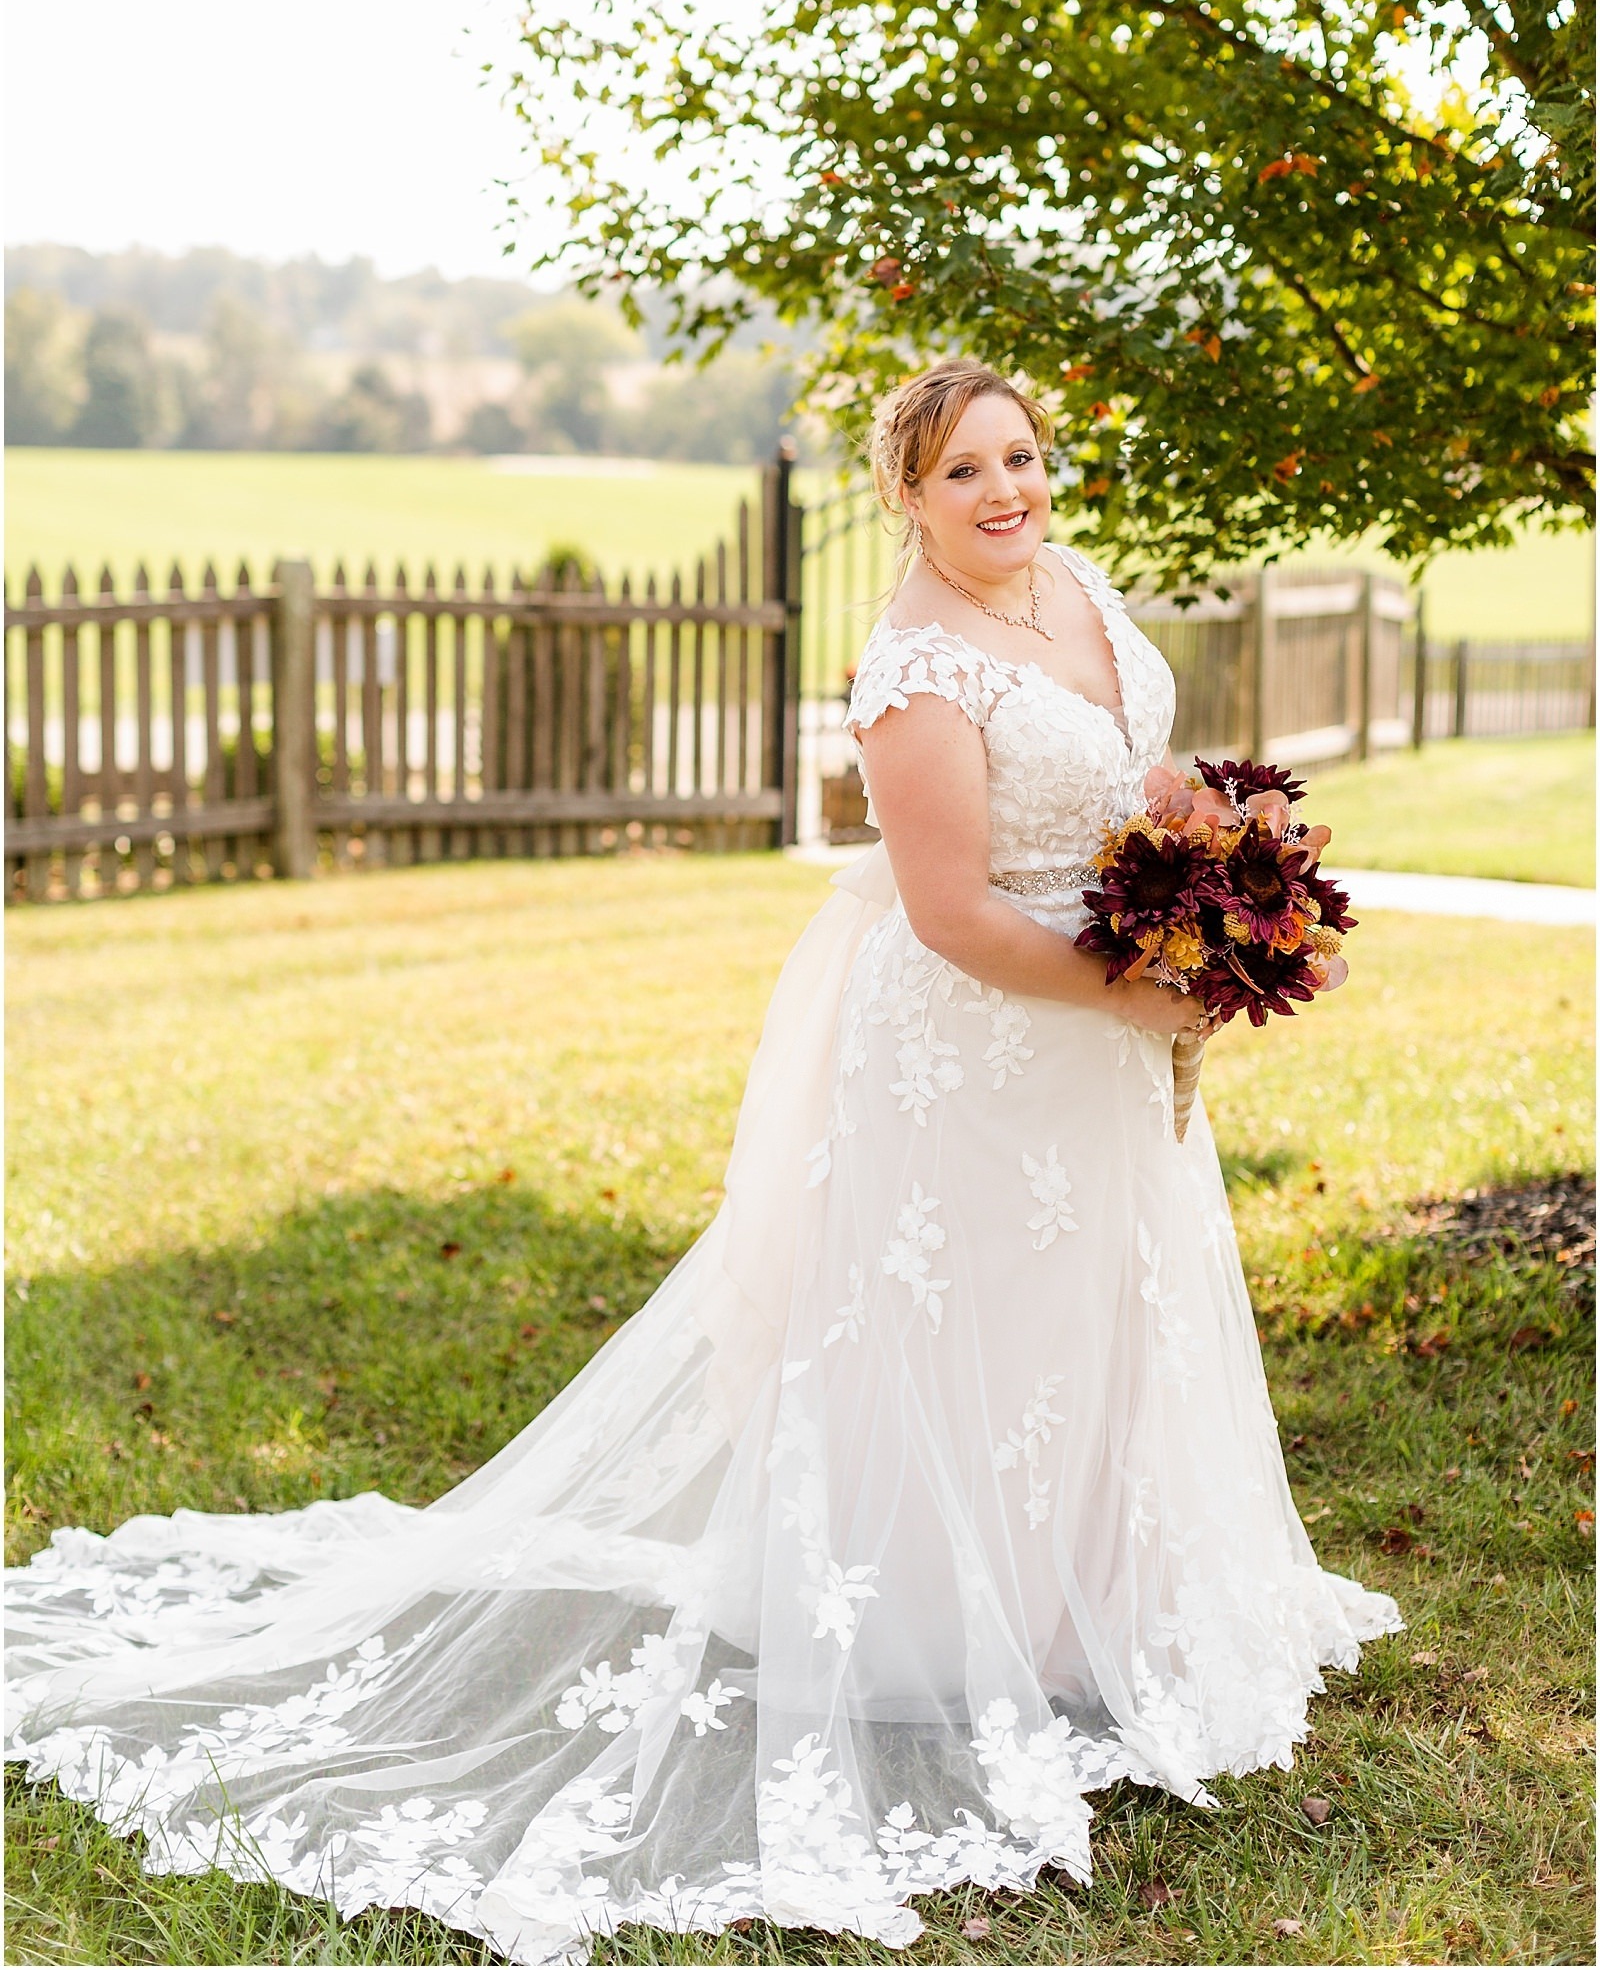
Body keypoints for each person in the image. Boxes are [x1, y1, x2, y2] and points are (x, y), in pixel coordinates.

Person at [5, 360, 1399, 1964]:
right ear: (909, 496)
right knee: (968, 1325)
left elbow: (1136, 775)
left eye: (1020, 457)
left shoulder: (1073, 588)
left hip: (1103, 1033)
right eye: (964, 474)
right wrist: (1149, 989)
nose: (1006, 491)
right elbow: (948, 915)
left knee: (1096, 1308)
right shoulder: (913, 670)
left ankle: (1088, 1615)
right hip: (978, 1040)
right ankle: (943, 1637)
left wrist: (1239, 898)